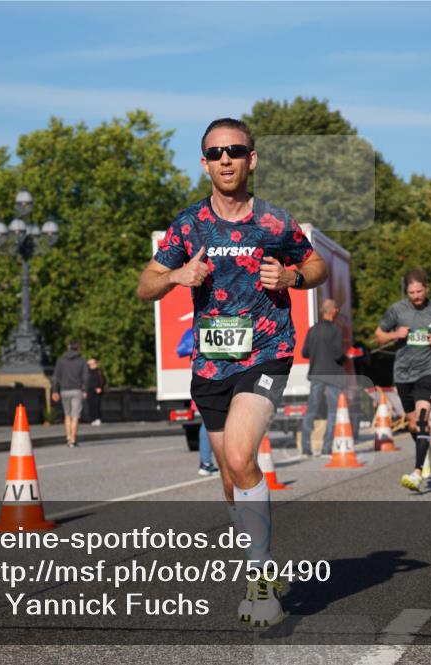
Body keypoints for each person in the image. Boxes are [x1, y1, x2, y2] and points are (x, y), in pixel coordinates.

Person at [137, 117, 326, 627]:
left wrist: (291, 275)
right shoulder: (188, 224)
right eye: (216, 152)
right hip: (210, 364)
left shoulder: (274, 223)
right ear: (204, 162)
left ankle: (262, 584)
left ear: (251, 159)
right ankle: (258, 568)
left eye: (235, 151)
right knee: (229, 479)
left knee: (243, 457)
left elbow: (316, 267)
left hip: (266, 351)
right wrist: (176, 274)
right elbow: (145, 284)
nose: (225, 159)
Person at [375, 268, 431, 492]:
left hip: (429, 371)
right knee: (412, 424)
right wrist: (394, 335)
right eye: (412, 292)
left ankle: (417, 472)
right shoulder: (396, 311)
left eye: (419, 291)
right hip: (403, 373)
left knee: (421, 419)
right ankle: (425, 453)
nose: (416, 296)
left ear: (426, 289)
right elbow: (378, 335)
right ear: (407, 292)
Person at [300, 299, 347, 457]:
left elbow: (305, 352)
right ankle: (327, 448)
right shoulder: (335, 330)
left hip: (316, 375)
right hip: (332, 376)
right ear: (332, 311)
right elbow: (337, 354)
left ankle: (306, 449)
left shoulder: (312, 330)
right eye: (336, 309)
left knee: (311, 411)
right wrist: (346, 357)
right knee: (333, 413)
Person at [177, 331, 220, 477]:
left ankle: (206, 462)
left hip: (201, 383)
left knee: (206, 422)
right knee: (211, 424)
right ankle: (208, 463)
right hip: (213, 382)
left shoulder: (194, 336)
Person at [51, 341, 89, 447]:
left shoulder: (61, 360)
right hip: (76, 390)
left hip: (64, 390)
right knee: (75, 416)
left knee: (67, 415)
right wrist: (85, 390)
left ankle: (68, 437)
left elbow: (56, 377)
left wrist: (55, 390)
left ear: (69, 348)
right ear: (78, 349)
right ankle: (73, 439)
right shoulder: (82, 361)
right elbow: (85, 377)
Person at [86, 358, 106, 426]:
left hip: (98, 390)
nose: (93, 365)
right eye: (90, 364)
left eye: (94, 363)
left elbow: (103, 380)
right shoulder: (87, 372)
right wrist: (84, 391)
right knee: (91, 405)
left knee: (97, 405)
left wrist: (100, 387)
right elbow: (84, 382)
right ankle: (92, 419)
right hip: (89, 390)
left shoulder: (99, 371)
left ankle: (98, 418)